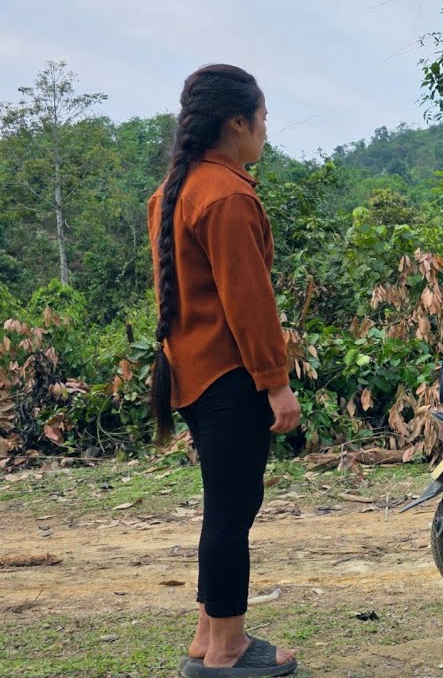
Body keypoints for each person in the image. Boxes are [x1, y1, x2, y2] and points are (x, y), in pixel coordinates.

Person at [147, 65, 300, 677]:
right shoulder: (227, 195)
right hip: (230, 376)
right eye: (262, 119)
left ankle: (207, 635)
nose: (264, 131)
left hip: (191, 374)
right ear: (237, 121)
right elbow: (249, 301)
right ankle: (228, 650)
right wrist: (277, 383)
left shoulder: (175, 190)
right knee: (233, 509)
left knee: (223, 506)